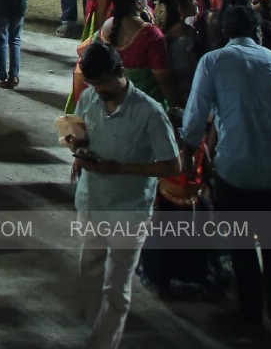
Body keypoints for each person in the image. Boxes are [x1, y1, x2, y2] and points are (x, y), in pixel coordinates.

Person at [181, 3, 271, 341]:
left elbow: (195, 117)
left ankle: (250, 317)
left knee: (242, 245)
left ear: (225, 32)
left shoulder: (213, 61)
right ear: (258, 32)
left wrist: (188, 154)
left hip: (236, 169)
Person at [64, 41, 184, 349]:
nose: (99, 89)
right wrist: (78, 151)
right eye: (93, 83)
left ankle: (103, 344)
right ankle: (96, 328)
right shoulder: (89, 98)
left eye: (103, 82)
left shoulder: (150, 113)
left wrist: (120, 168)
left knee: (116, 288)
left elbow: (173, 164)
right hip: (92, 200)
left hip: (128, 211)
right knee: (89, 270)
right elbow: (82, 133)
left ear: (120, 70)